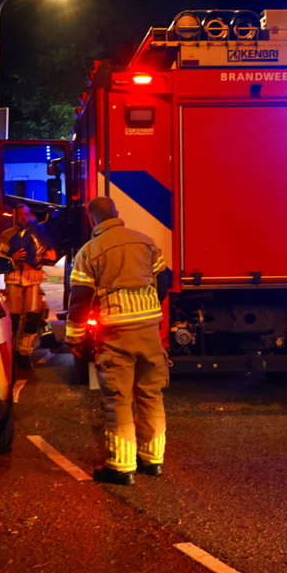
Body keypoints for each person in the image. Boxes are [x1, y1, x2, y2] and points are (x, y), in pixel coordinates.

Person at [65, 197, 169, 485]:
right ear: (116, 213)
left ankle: (121, 467)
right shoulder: (145, 242)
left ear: (92, 219)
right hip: (149, 329)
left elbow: (80, 299)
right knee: (151, 394)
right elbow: (162, 283)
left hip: (116, 334)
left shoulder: (89, 251)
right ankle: (153, 460)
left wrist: (74, 337)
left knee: (118, 399)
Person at [0, 204, 57, 369]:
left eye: (26, 214)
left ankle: (25, 353)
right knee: (13, 321)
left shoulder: (40, 234)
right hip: (14, 280)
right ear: (15, 216)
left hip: (33, 281)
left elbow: (46, 255)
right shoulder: (7, 235)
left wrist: (52, 258)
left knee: (31, 320)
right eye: (20, 214)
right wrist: (12, 257)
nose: (24, 217)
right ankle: (11, 351)